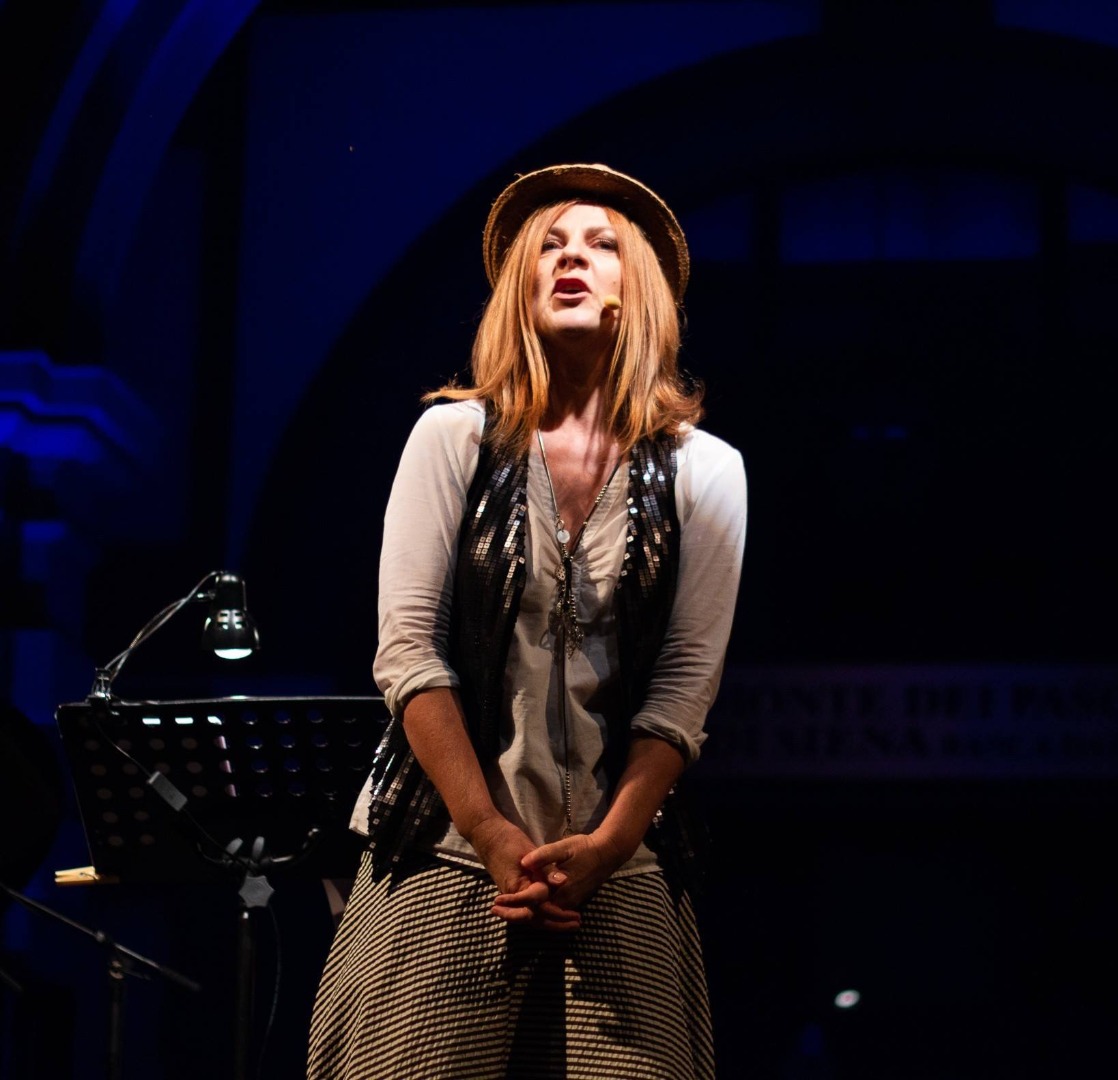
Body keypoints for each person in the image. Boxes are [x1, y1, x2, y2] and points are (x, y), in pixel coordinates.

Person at [308, 163, 746, 1079]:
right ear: (520, 285)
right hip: (444, 850)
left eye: (599, 245)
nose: (569, 259)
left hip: (622, 865)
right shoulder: (453, 438)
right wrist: (491, 832)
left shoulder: (707, 470)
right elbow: (408, 653)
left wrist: (608, 846)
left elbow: (683, 690)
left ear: (639, 288)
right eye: (549, 246)